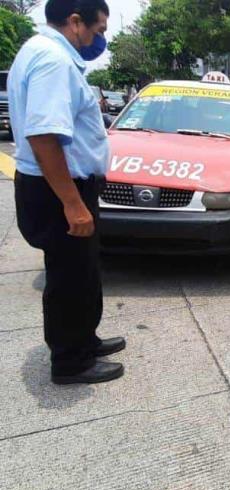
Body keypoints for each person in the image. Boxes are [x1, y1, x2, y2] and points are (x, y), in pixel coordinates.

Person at [8, 0, 125, 385]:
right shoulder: (53, 61)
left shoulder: (42, 53)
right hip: (59, 190)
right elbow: (43, 137)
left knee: (83, 272)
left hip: (63, 186)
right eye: (99, 29)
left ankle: (84, 341)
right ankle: (71, 362)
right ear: (76, 22)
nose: (100, 38)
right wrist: (73, 204)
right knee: (69, 278)